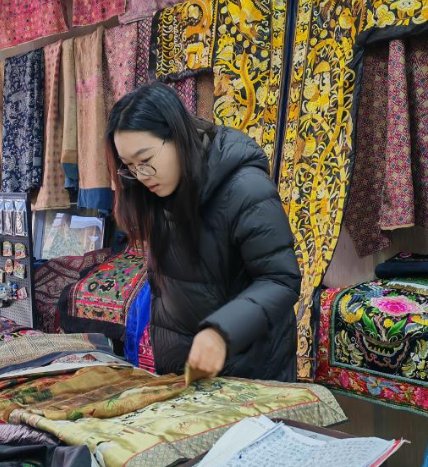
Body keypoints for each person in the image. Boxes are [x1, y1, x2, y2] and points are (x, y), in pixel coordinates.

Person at [106, 82, 301, 382]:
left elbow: (280, 279)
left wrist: (220, 332)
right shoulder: (159, 190)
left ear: (177, 136)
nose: (140, 176)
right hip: (187, 375)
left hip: (249, 374)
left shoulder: (245, 188)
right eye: (130, 166)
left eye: (145, 161)